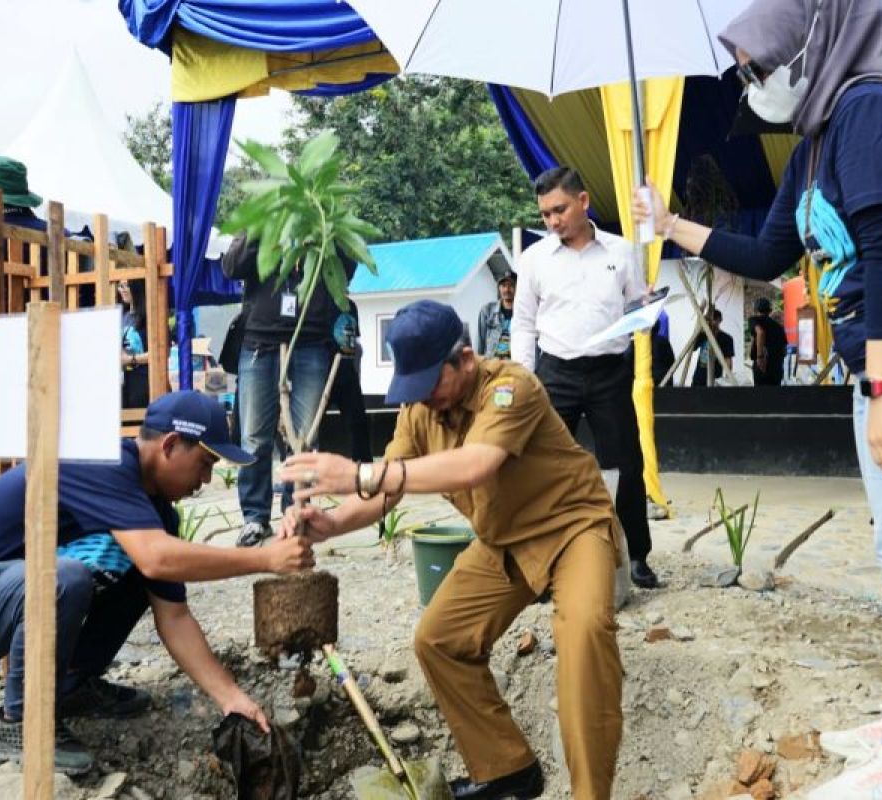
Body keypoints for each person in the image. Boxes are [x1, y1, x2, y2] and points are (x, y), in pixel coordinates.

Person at [634, 2, 882, 797]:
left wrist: (879, 391)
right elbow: (770, 254)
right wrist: (668, 224)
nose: (750, 84)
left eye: (759, 66)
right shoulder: (817, 140)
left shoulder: (871, 107)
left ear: (811, 44)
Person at [278, 300, 622, 800]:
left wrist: (358, 473)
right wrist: (327, 524)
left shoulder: (510, 387)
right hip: (503, 540)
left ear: (463, 359)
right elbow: (385, 493)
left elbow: (475, 465)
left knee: (585, 638)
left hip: (572, 528)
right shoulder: (421, 409)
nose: (422, 398)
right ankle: (509, 771)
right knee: (439, 639)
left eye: (429, 382)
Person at [0, 391, 315, 775]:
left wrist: (231, 697)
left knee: (139, 573)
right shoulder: (102, 463)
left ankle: (69, 685)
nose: (205, 480)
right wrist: (263, 558)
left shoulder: (157, 514)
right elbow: (157, 555)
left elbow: (175, 617)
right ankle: (19, 723)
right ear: (169, 445)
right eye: (204, 463)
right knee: (65, 579)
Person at [512, 166, 659, 589]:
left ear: (583, 201)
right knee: (544, 470)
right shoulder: (534, 259)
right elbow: (523, 324)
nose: (552, 221)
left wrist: (645, 310)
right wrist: (527, 379)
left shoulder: (622, 252)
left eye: (559, 209)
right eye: (545, 214)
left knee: (627, 466)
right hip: (554, 373)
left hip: (609, 373)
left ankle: (636, 557)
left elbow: (637, 315)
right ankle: (542, 565)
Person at [221, 233, 340, 548]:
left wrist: (327, 232)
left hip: (312, 340)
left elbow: (347, 270)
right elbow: (231, 266)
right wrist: (259, 228)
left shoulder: (321, 213)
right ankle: (254, 519)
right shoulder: (259, 220)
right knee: (254, 438)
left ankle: (296, 513)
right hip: (259, 342)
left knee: (304, 439)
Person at [328, 295, 372, 462]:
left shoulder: (350, 306)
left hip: (347, 374)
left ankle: (364, 470)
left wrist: (356, 375)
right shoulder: (317, 302)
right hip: (322, 373)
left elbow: (355, 345)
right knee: (309, 425)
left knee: (359, 422)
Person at [118, 279, 151, 409]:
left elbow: (161, 353)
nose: (123, 290)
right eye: (121, 286)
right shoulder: (121, 316)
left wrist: (130, 359)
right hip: (121, 383)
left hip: (142, 382)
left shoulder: (149, 316)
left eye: (127, 286)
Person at [691, 306, 736, 386]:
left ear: (720, 320)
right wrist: (699, 329)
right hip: (699, 377)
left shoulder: (726, 338)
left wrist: (727, 379)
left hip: (715, 378)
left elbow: (728, 360)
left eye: (714, 320)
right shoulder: (703, 335)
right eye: (708, 320)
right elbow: (692, 348)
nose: (711, 323)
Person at [476, 270, 517, 359]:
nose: (507, 289)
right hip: (491, 364)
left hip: (513, 365)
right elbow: (480, 342)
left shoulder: (523, 313)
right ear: (499, 287)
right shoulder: (487, 311)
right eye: (503, 285)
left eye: (511, 285)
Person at [748, 297, 787, 386]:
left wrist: (760, 357)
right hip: (777, 368)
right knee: (775, 397)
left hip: (762, 367)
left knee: (761, 397)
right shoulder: (779, 328)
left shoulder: (755, 320)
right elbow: (784, 351)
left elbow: (760, 332)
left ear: (756, 310)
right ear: (770, 311)